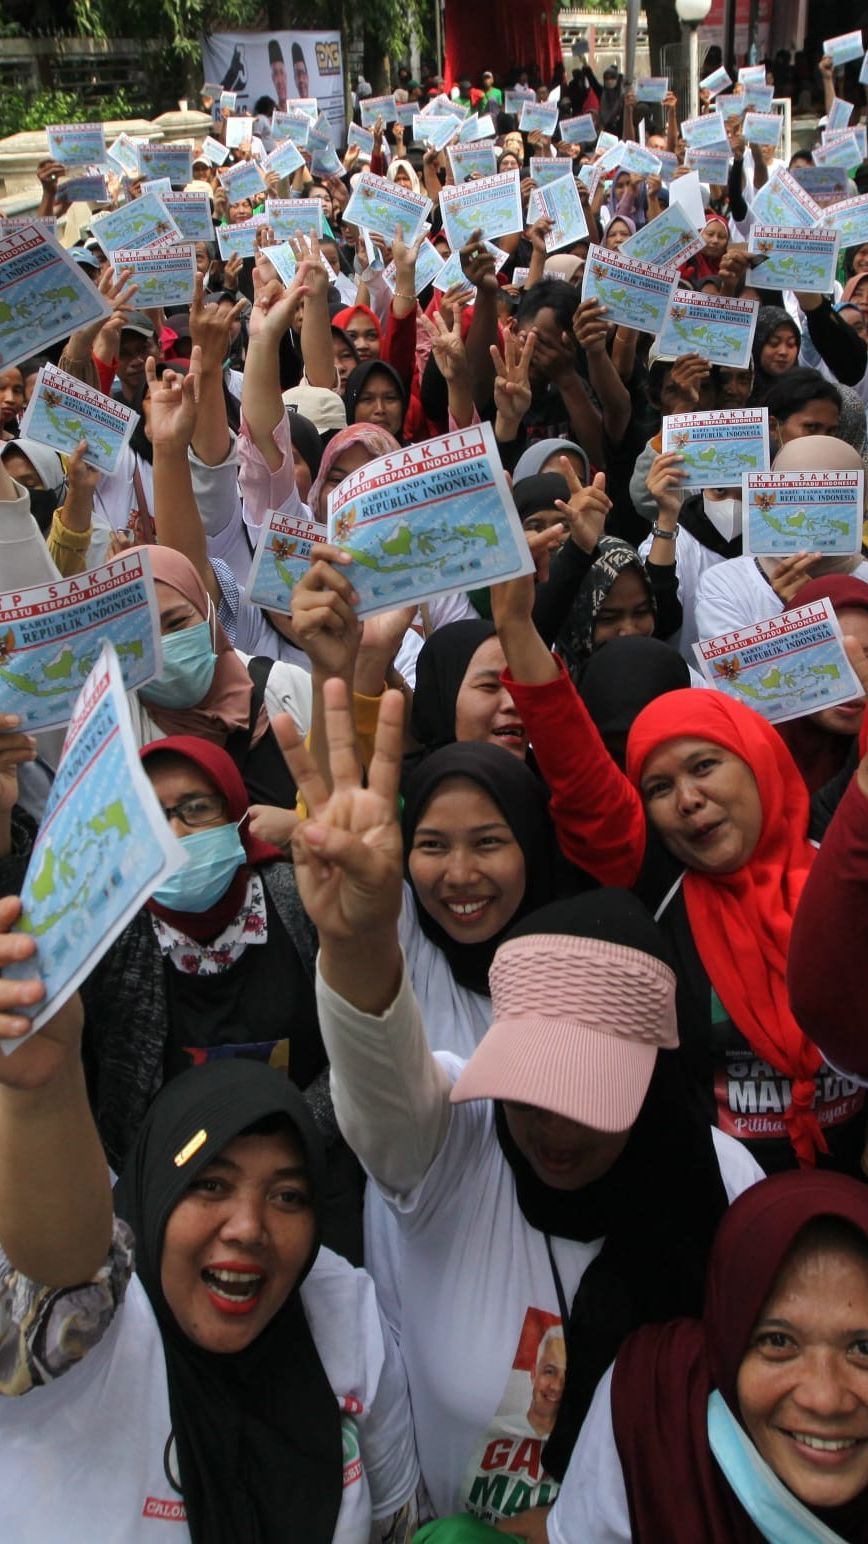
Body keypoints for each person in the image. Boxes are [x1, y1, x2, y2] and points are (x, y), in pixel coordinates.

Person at [277, 681, 762, 1527]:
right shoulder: (455, 1147)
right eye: (531, 1091)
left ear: (655, 1083)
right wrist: (356, 943)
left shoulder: (731, 1191)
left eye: (588, 1097)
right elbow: (381, 1084)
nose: (550, 1128)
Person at [0, 943, 421, 1541]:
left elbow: (399, 1525)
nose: (248, 1227)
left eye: (287, 1197)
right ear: (154, 1194)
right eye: (210, 1185)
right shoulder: (90, 1325)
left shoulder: (345, 1312)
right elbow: (61, 1263)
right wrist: (41, 1088)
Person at [489, 565, 867, 1175]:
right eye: (659, 786)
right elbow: (580, 774)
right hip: (717, 1205)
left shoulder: (838, 857)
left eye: (704, 766)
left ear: (757, 760)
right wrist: (516, 630)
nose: (687, 799)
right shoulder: (662, 885)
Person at [547, 1171, 868, 1543]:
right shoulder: (654, 1405)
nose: (825, 1400)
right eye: (778, 1341)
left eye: (863, 1349)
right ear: (726, 1340)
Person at [268, 38, 288, 109]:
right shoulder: (272, 112)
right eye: (276, 73)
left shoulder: (297, 110)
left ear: (286, 76)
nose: (279, 80)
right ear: (272, 78)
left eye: (281, 72)